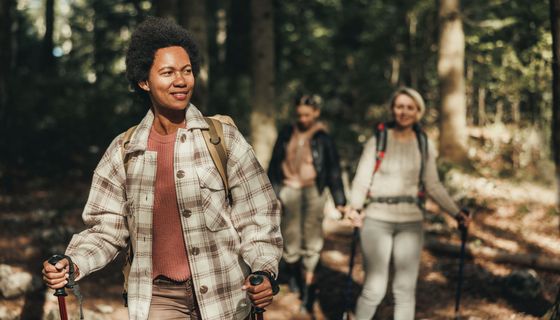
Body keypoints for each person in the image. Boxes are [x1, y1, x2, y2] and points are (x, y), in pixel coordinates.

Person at [41, 17, 282, 320]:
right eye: (167, 72)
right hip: (157, 301)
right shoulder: (124, 151)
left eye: (187, 71)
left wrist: (264, 269)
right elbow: (106, 229)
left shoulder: (223, 138)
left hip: (226, 295)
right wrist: (74, 262)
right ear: (144, 81)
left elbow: (258, 214)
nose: (181, 81)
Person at [348, 87, 471, 320]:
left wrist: (456, 213)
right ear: (393, 109)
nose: (404, 112)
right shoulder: (378, 139)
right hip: (376, 219)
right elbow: (362, 179)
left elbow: (433, 185)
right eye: (399, 106)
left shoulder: (424, 144)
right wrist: (355, 207)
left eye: (409, 107)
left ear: (418, 112)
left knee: (404, 290)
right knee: (374, 288)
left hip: (411, 222)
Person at [268, 94, 347, 313]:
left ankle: (309, 290)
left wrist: (341, 201)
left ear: (316, 113)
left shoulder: (323, 137)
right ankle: (293, 273)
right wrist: (272, 193)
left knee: (312, 240)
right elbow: (275, 163)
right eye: (299, 114)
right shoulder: (286, 133)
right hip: (289, 190)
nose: (303, 118)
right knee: (290, 242)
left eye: (307, 114)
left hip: (314, 191)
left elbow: (333, 171)